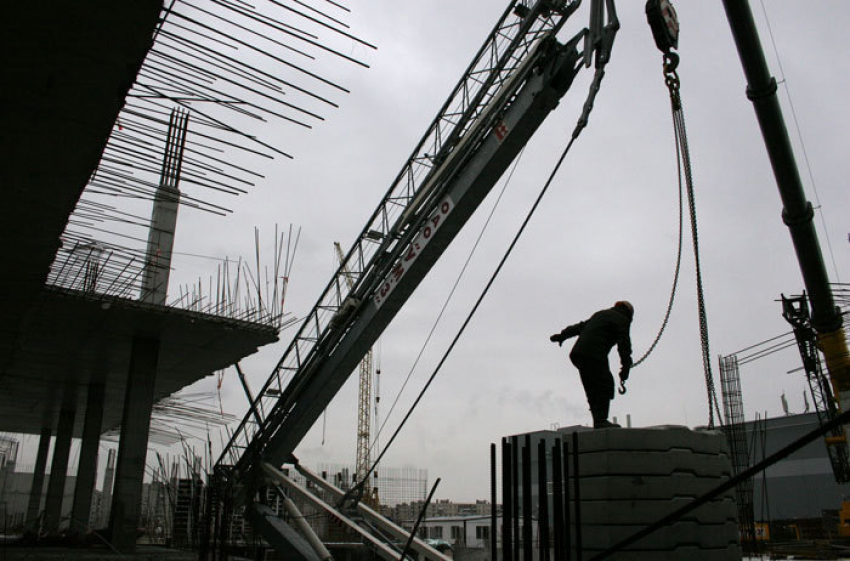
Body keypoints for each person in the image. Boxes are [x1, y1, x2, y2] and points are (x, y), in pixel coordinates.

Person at [550, 301, 634, 429]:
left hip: (578, 354)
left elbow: (580, 327)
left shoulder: (601, 314)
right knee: (605, 384)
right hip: (594, 353)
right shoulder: (622, 319)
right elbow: (624, 346)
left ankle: (598, 420)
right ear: (629, 314)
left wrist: (562, 335)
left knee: (592, 387)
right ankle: (600, 421)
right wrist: (626, 368)